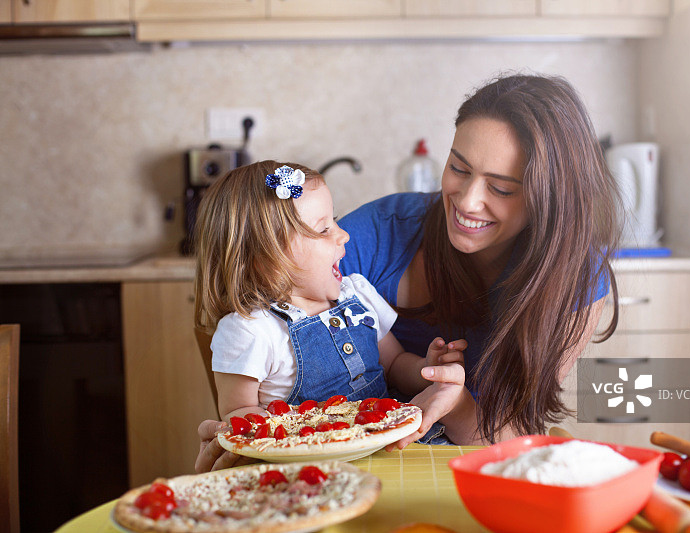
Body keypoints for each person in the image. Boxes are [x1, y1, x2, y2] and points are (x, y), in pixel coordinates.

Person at [196, 73, 619, 471]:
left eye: (501, 188)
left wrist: (453, 403)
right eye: (458, 168)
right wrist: (239, 432)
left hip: (472, 459)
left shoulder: (574, 278)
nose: (467, 201)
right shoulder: (379, 234)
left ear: (550, 199)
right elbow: (253, 316)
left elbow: (512, 438)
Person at [193, 160, 467, 443]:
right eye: (324, 229)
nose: (343, 234)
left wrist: (425, 370)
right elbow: (238, 413)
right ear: (267, 261)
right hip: (310, 456)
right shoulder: (252, 330)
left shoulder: (357, 294)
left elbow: (395, 363)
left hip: (385, 442)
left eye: (334, 220)